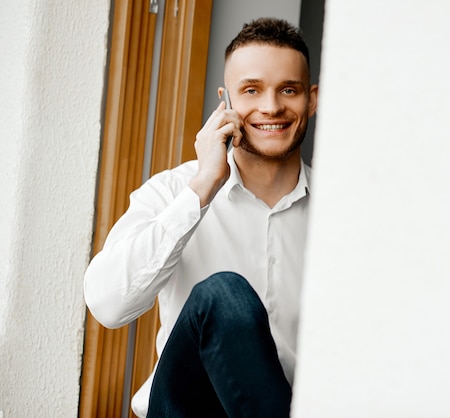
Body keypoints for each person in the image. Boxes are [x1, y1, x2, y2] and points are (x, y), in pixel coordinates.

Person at [84, 17, 318, 417]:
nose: (271, 107)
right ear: (225, 102)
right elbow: (107, 305)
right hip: (186, 409)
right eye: (251, 90)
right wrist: (203, 186)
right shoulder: (175, 191)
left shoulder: (337, 216)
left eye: (288, 90)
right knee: (223, 295)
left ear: (311, 100)